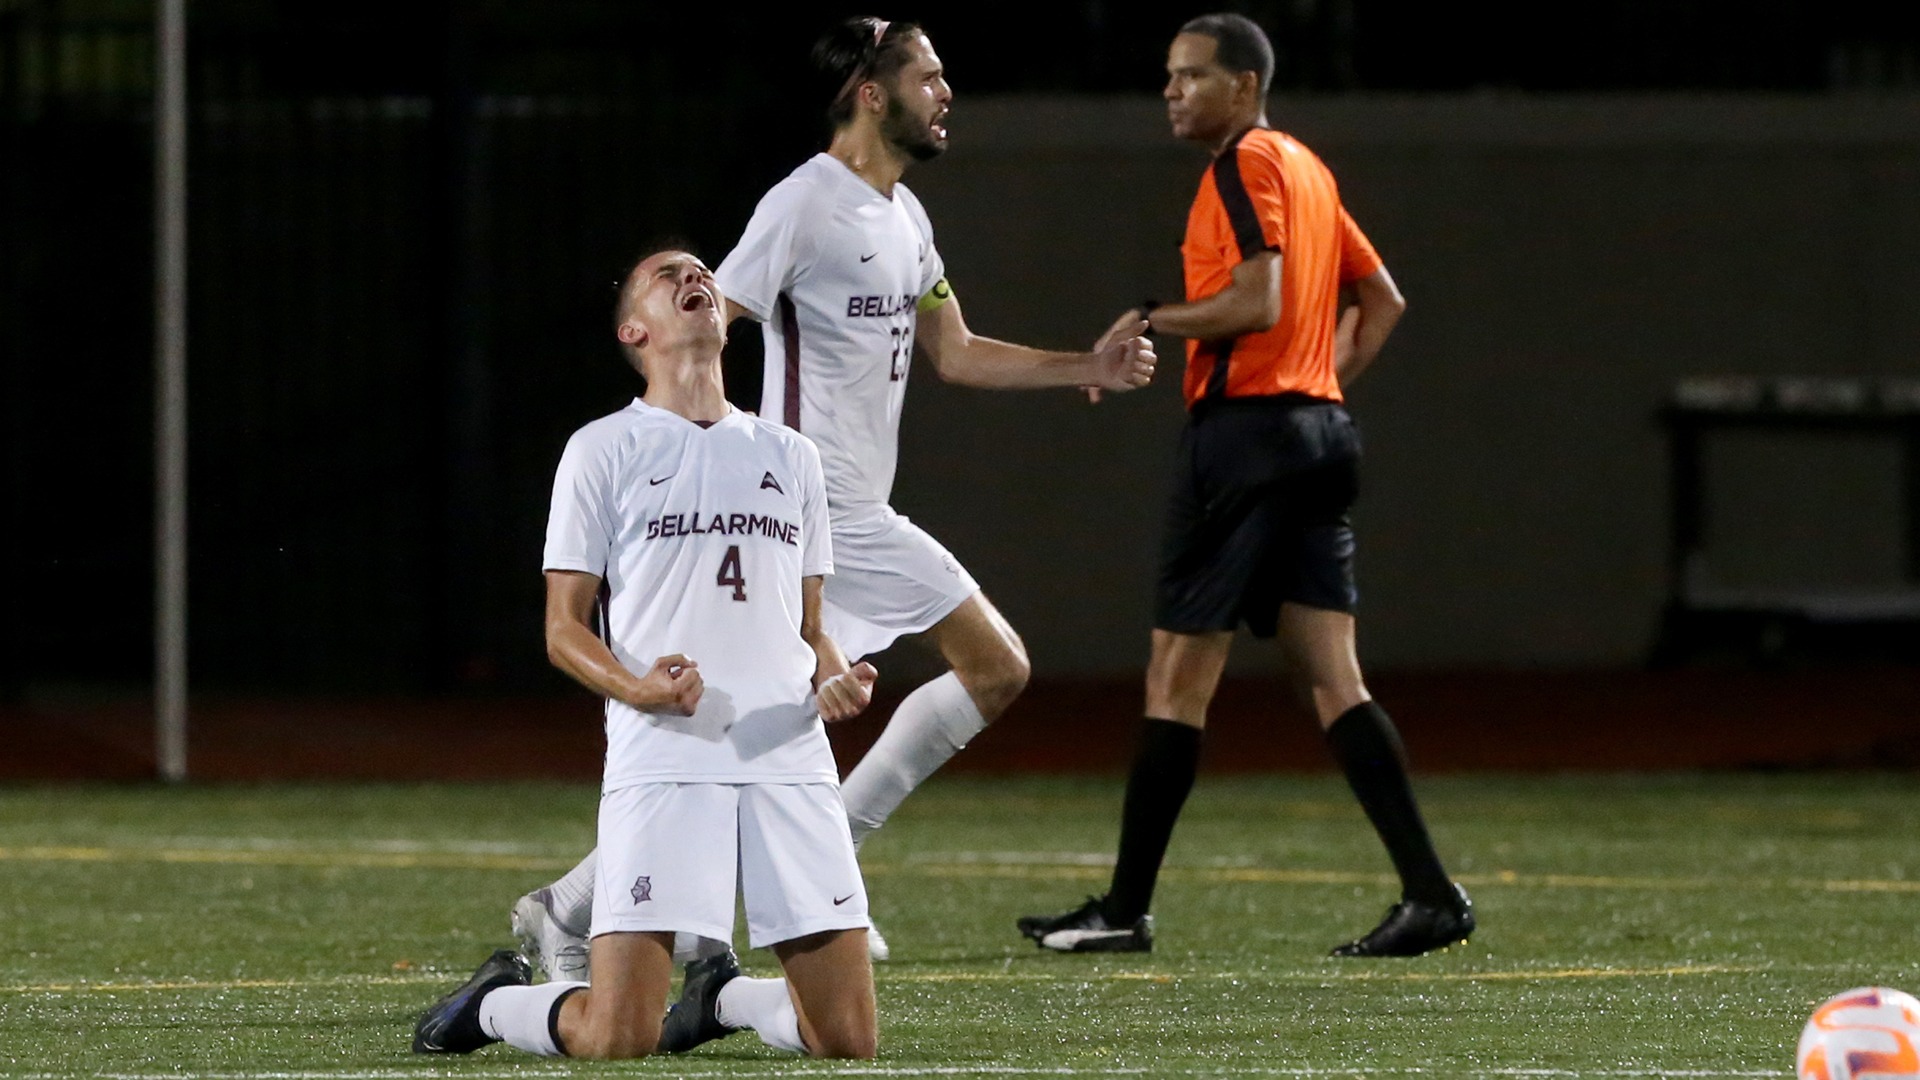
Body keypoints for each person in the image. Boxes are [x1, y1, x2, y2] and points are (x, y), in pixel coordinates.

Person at [510, 14, 1157, 977]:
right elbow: (707, 318)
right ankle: (819, 870)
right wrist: (670, 467)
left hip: (834, 518)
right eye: (929, 76)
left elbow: (961, 352)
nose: (946, 94)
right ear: (871, 92)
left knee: (759, 731)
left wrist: (1086, 365)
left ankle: (570, 906)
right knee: (993, 667)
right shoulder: (803, 204)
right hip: (811, 509)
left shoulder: (906, 219)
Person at [1016, 13, 1474, 958]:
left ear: (1246, 87)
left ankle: (1124, 910)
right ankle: (1431, 895)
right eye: (1169, 75)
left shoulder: (1243, 166)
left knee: (1176, 680)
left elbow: (1258, 300)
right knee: (1334, 680)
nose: (1172, 91)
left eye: (1191, 76)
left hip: (1245, 440)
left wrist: (1148, 315)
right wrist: (1322, 385)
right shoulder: (1309, 168)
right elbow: (1383, 297)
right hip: (1317, 435)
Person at [413, 247, 880, 1059]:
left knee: (845, 1041)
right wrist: (638, 689)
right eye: (668, 276)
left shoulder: (790, 455)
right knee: (618, 1038)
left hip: (789, 753)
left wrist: (835, 676)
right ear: (635, 329)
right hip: (665, 753)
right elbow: (563, 627)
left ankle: (721, 998)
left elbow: (810, 629)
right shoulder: (603, 449)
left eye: (701, 269)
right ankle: (496, 1007)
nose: (694, 277)